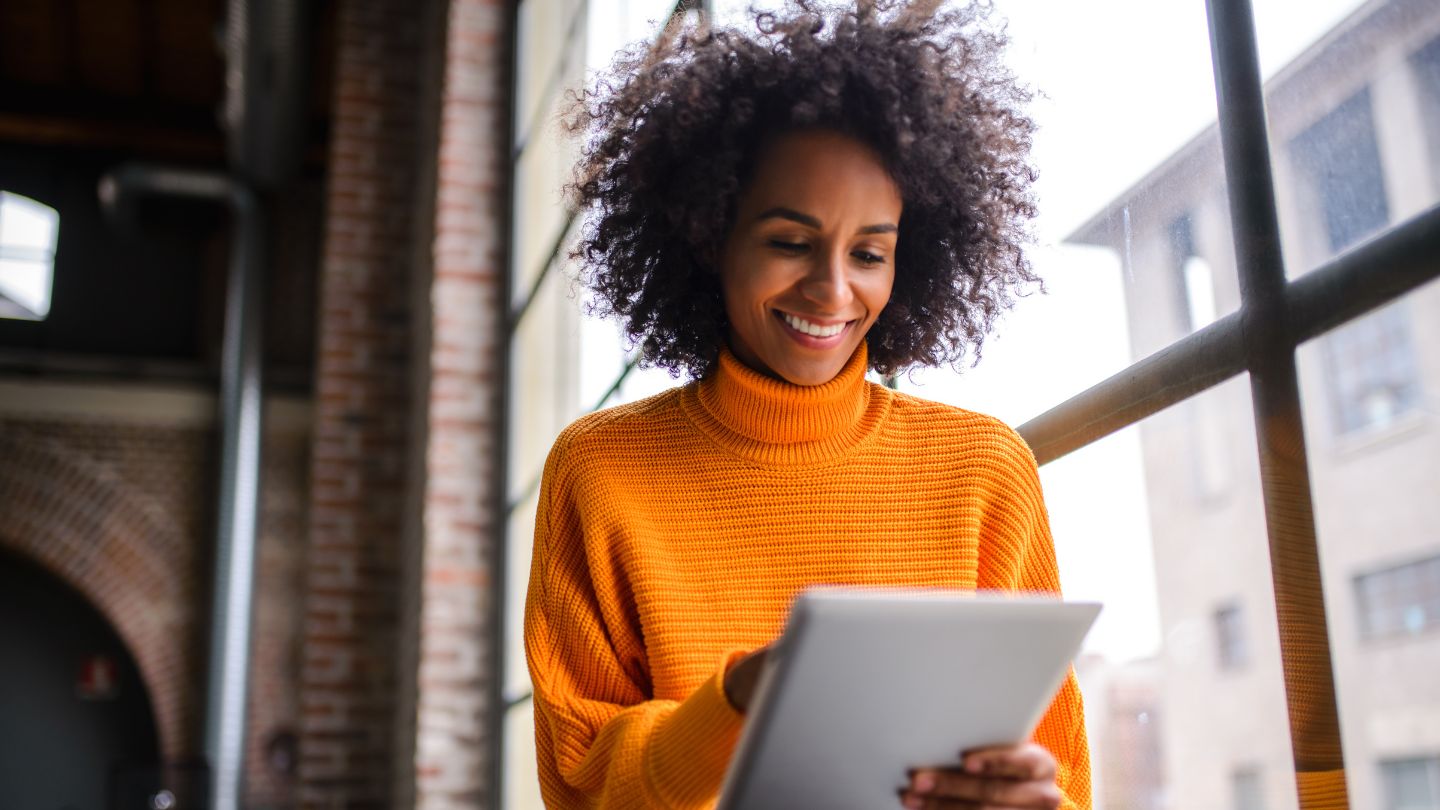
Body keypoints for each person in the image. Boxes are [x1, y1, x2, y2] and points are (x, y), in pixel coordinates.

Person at [523, 1, 1090, 808]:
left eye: (869, 253)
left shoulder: (983, 470)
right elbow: (582, 783)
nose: (832, 289)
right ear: (709, 234)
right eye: (790, 242)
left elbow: (1062, 776)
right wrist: (744, 698)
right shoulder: (602, 469)